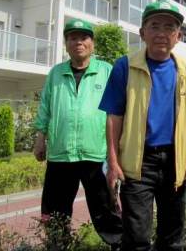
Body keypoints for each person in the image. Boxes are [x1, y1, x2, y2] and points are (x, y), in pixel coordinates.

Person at [99, 0, 186, 251]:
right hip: (138, 161)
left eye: (169, 27)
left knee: (173, 234)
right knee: (137, 236)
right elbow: (114, 117)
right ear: (142, 32)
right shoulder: (125, 66)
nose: (162, 33)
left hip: (175, 159)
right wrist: (112, 162)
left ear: (179, 36)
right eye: (154, 26)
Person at [33, 18, 122, 249]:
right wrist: (40, 138)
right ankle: (58, 244)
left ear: (92, 43)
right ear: (66, 43)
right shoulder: (56, 73)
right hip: (61, 155)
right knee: (55, 212)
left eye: (84, 37)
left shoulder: (106, 71)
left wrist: (117, 152)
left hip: (96, 153)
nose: (78, 42)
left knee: (106, 210)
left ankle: (118, 245)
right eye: (73, 38)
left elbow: (118, 110)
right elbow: (45, 107)